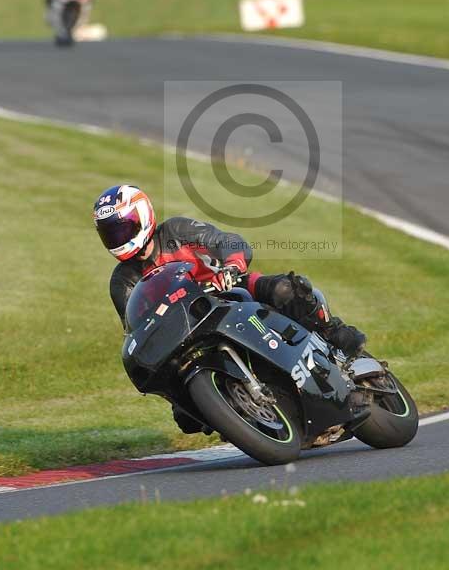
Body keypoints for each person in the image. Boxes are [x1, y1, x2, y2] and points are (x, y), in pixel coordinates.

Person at [93, 184, 366, 433]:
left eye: (121, 228)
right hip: (184, 328)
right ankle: (235, 409)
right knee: (186, 417)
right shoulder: (122, 280)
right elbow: (135, 327)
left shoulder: (176, 231)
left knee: (286, 289)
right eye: (109, 233)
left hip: (227, 291)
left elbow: (227, 242)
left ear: (143, 216)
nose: (116, 238)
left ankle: (334, 332)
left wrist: (232, 266)